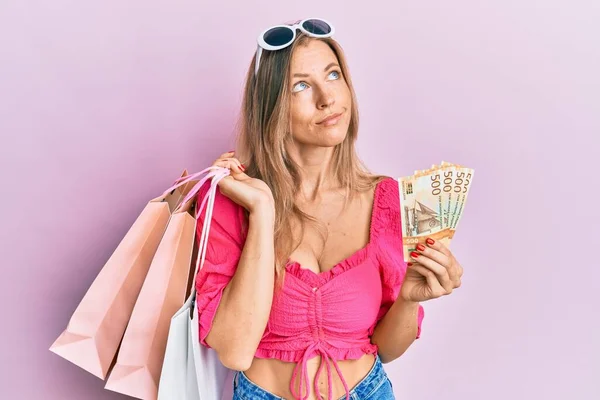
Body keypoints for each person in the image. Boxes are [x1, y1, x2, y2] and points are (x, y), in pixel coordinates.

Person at [194, 18, 464, 400]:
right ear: (270, 106)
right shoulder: (230, 198)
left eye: (333, 75)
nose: (327, 98)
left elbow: (386, 349)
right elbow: (235, 351)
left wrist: (408, 299)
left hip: (368, 391)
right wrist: (264, 211)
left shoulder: (390, 199)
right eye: (301, 85)